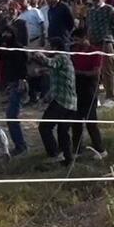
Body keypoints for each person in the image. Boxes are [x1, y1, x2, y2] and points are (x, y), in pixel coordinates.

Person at [37, 38, 78, 166]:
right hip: (70, 103)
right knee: (63, 132)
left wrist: (38, 54)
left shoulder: (61, 57)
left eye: (48, 46)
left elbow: (50, 63)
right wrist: (46, 98)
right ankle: (68, 159)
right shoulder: (64, 60)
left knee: (44, 127)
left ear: (55, 47)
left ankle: (55, 154)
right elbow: (58, 84)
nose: (47, 49)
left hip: (62, 101)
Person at [71, 32, 108, 160]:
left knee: (91, 121)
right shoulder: (76, 51)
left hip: (89, 88)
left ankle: (100, 149)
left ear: (85, 38)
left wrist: (78, 72)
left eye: (78, 39)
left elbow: (96, 73)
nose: (76, 42)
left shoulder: (95, 52)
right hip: (77, 88)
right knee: (76, 121)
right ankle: (76, 149)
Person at [85, 0, 114, 106]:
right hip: (93, 44)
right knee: (94, 71)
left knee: (107, 71)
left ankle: (110, 98)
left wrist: (109, 38)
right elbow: (88, 26)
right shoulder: (90, 11)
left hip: (105, 43)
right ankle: (94, 97)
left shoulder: (109, 9)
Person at [0, 14, 29, 155]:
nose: (5, 36)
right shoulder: (5, 50)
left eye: (8, 33)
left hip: (19, 84)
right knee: (11, 116)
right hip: (12, 84)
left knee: (12, 116)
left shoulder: (18, 49)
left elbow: (23, 67)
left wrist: (22, 80)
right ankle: (20, 144)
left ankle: (21, 145)